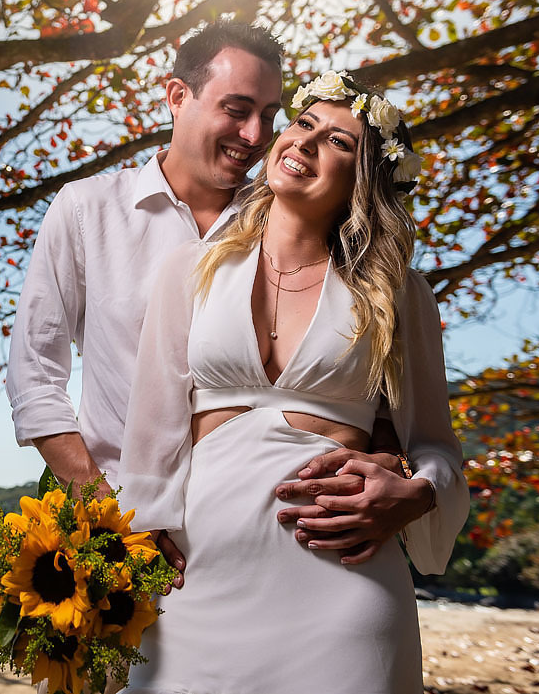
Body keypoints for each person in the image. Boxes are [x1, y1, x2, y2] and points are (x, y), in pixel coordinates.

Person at [7, 20, 423, 584]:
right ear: (178, 96)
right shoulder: (86, 211)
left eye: (271, 115)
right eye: (236, 108)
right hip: (116, 533)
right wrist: (108, 508)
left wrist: (390, 464)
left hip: (280, 538)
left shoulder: (302, 211)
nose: (255, 135)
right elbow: (34, 375)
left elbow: (363, 368)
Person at [117, 73, 469, 692]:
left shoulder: (398, 295)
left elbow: (437, 448)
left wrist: (415, 496)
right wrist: (138, 541)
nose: (304, 143)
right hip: (193, 585)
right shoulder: (189, 271)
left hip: (345, 593)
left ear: (365, 181)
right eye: (304, 124)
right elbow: (151, 433)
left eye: (338, 142)